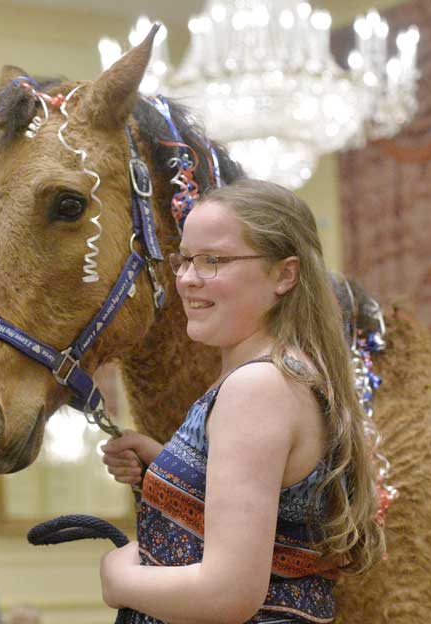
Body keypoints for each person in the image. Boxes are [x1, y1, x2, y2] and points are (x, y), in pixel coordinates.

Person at [99, 179, 385, 623]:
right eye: (186, 260)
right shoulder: (285, 373)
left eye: (214, 261)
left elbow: (228, 593)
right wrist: (167, 469)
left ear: (284, 275)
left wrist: (116, 578)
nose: (188, 280)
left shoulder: (259, 387)